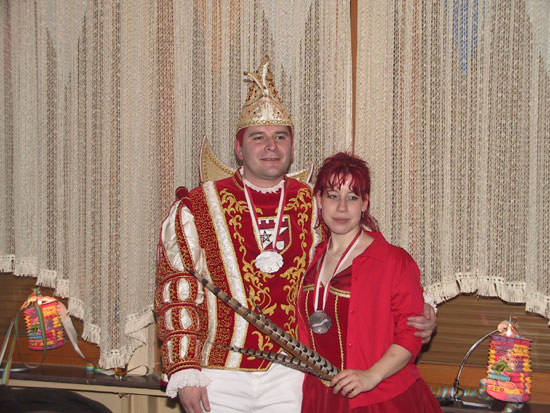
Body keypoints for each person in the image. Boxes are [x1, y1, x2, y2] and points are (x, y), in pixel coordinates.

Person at [155, 57, 437, 413]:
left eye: (280, 137)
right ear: (239, 148)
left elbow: (363, 259)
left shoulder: (313, 203)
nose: (271, 146)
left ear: (291, 146)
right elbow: (177, 289)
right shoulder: (196, 207)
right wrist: (185, 370)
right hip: (218, 375)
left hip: (291, 375)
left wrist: (421, 310)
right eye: (258, 138)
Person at [298, 152, 442, 412]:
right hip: (320, 397)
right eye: (333, 196)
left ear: (365, 203)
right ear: (319, 200)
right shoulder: (308, 257)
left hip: (379, 398)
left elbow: (411, 333)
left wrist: (371, 375)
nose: (342, 207)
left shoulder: (393, 260)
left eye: (352, 197)